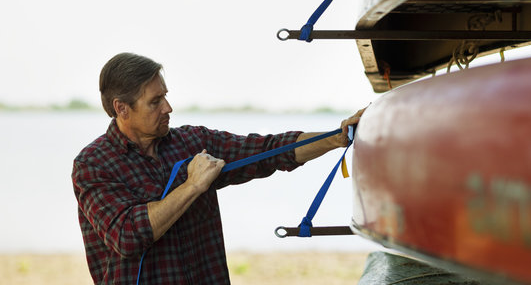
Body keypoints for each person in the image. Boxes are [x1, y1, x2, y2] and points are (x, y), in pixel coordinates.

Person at [72, 52, 364, 284]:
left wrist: (336, 138)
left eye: (165, 96)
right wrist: (193, 185)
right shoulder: (93, 164)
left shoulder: (193, 141)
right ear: (121, 108)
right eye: (155, 101)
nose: (168, 108)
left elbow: (271, 150)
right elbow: (127, 235)